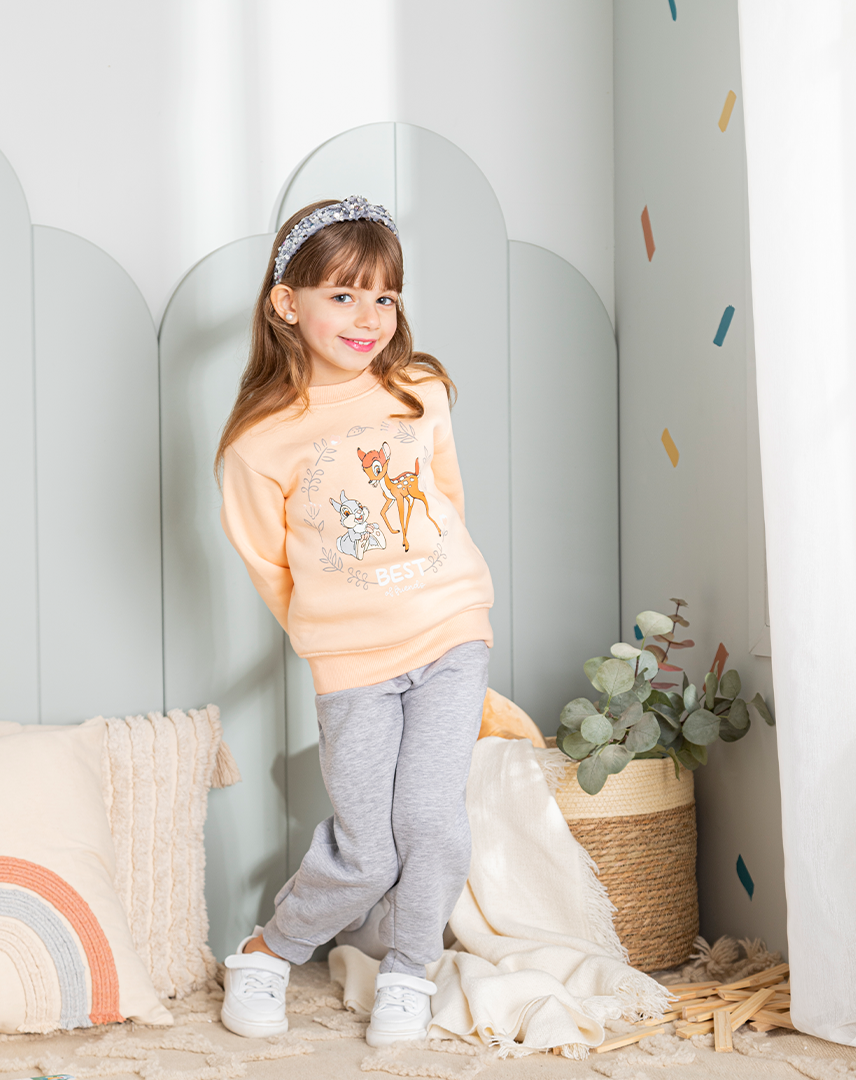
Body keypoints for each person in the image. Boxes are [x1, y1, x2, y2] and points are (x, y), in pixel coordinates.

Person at [215, 196, 494, 1046]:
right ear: (286, 302)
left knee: (432, 822)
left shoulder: (419, 391)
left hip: (451, 633)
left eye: (385, 297)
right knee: (368, 847)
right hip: (353, 664)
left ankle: (410, 971)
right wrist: (335, 632)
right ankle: (269, 950)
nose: (369, 318)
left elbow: (446, 500)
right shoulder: (259, 442)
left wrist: (436, 588)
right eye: (343, 295)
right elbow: (270, 565)